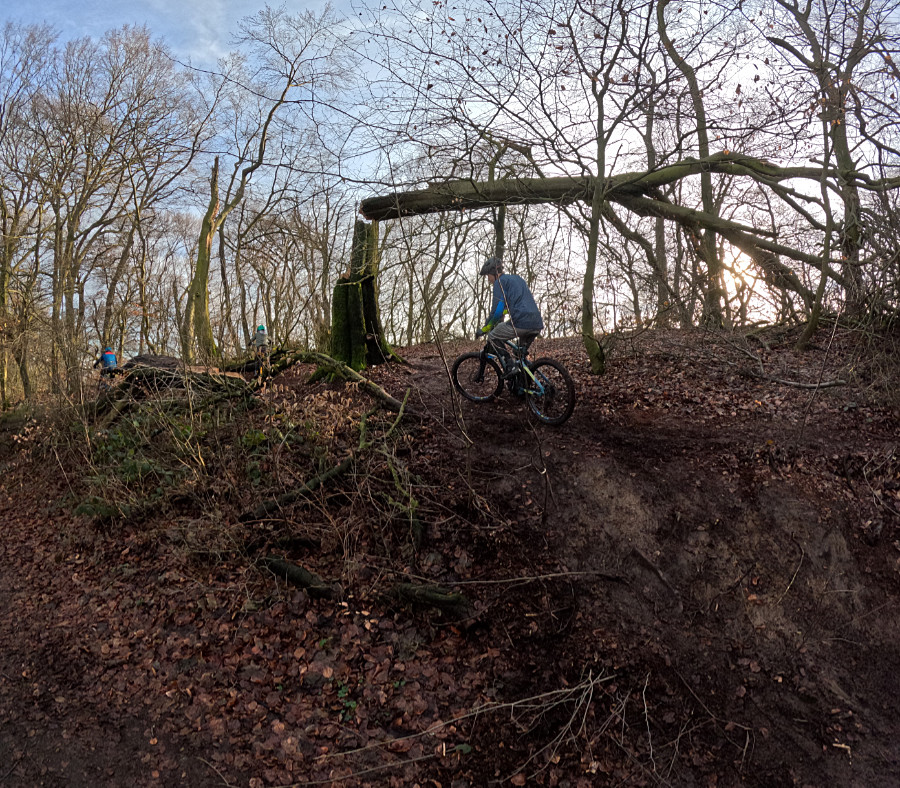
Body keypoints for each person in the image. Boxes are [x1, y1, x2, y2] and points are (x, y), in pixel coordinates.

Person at [476, 256, 544, 367]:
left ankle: (509, 365)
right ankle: (526, 375)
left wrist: (485, 329)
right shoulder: (517, 279)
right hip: (536, 322)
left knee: (493, 336)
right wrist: (504, 312)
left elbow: (497, 311)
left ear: (493, 273)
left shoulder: (499, 283)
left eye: (488, 276)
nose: (488, 279)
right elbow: (511, 306)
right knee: (519, 354)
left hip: (521, 322)